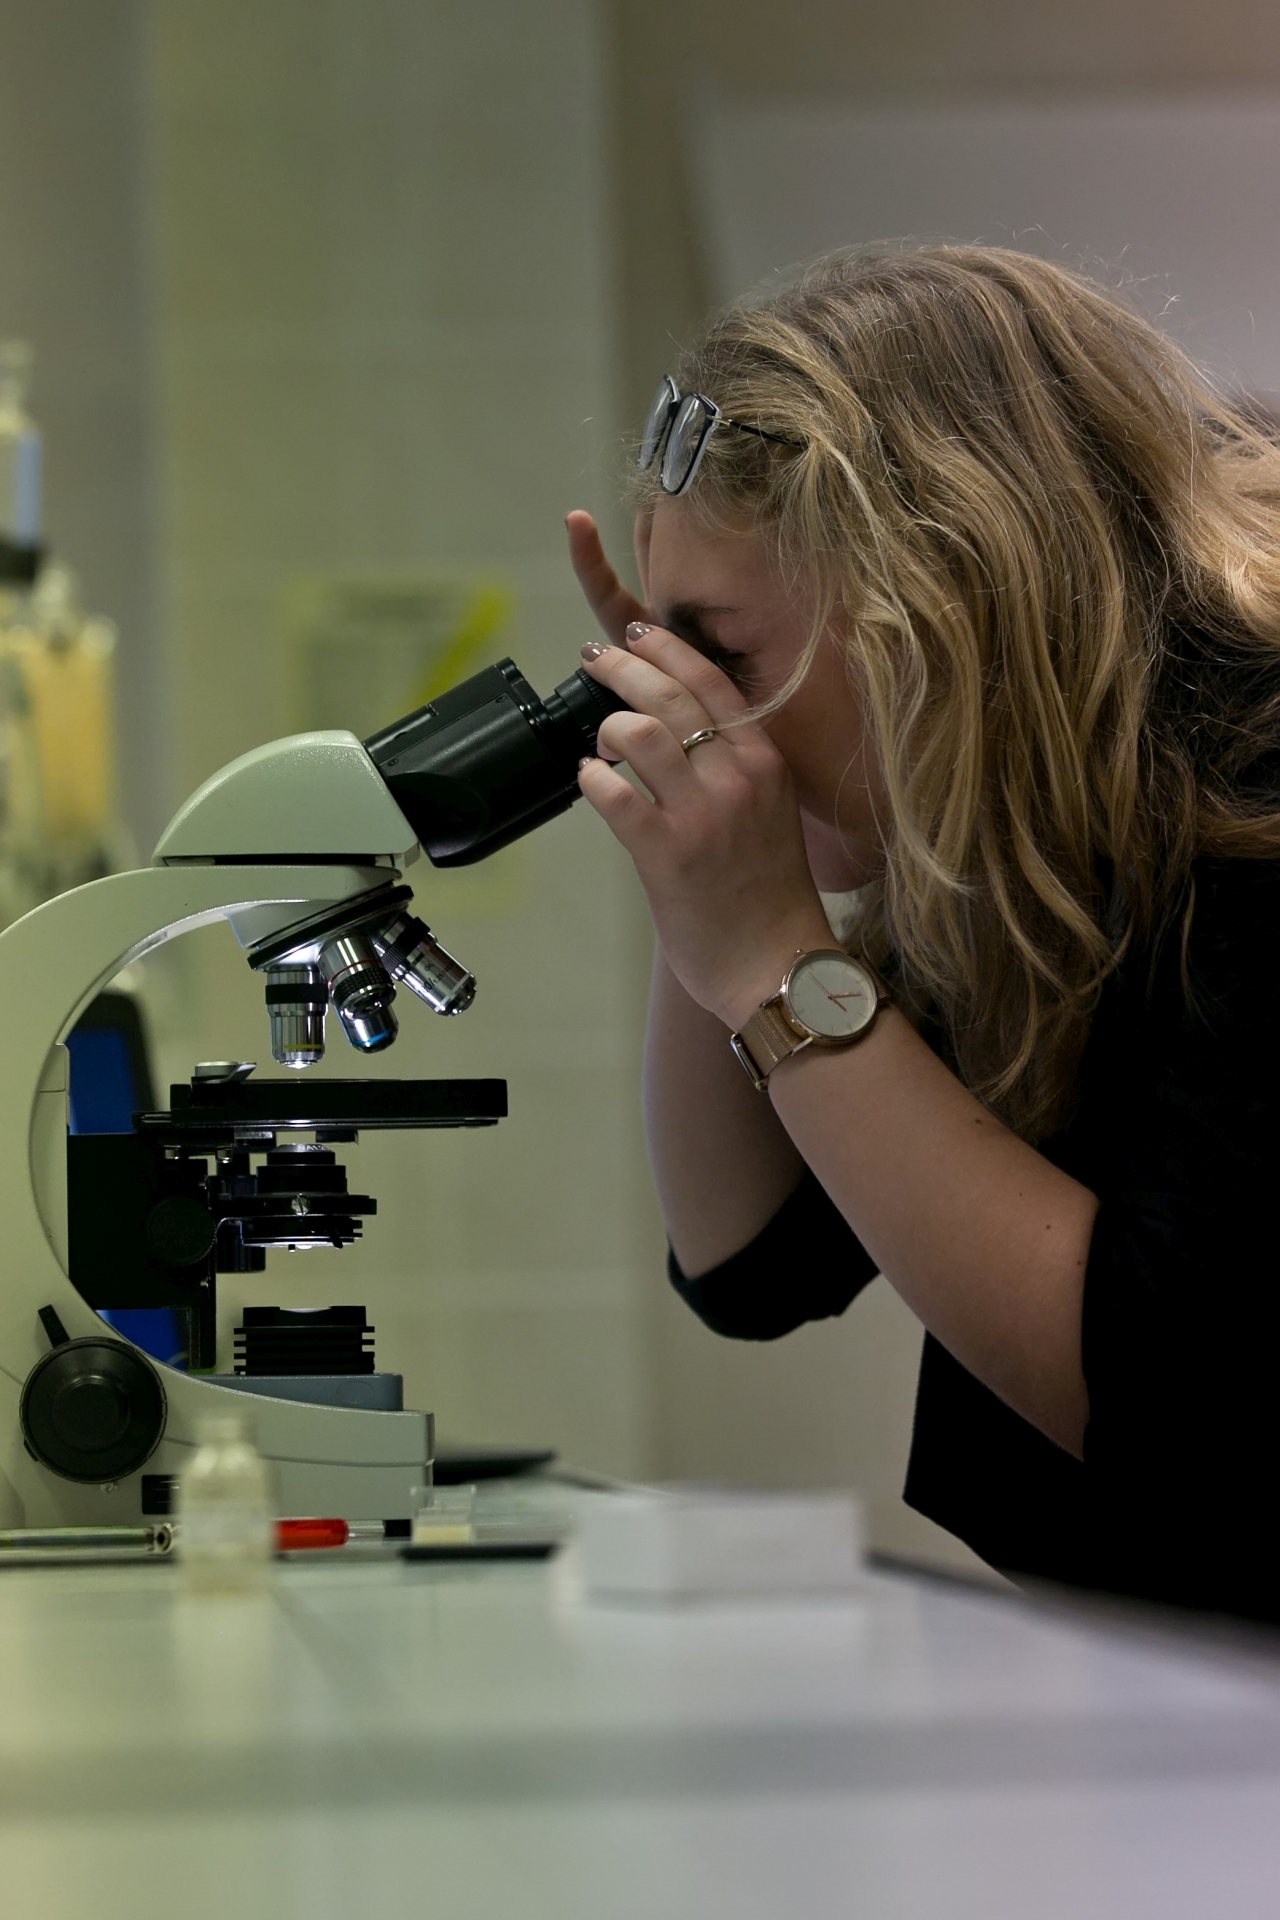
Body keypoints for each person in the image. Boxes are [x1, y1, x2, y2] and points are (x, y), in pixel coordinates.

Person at [565, 245, 1280, 1620]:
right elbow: (747, 1259)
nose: (697, 711)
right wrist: (698, 871)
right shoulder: (1020, 815)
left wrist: (771, 954)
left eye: (723, 654)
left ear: (935, 598)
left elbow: (1159, 1399)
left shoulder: (1250, 793)